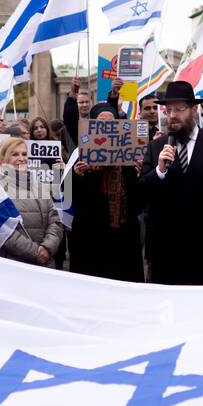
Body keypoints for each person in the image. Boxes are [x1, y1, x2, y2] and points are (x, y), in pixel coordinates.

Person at [137, 81, 203, 285]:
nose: (172, 115)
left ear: (194, 110)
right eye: (168, 110)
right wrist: (159, 171)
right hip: (166, 249)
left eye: (179, 109)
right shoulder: (156, 146)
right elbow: (140, 195)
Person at [69, 103, 143, 281]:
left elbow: (138, 197)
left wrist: (139, 174)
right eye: (101, 122)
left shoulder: (129, 154)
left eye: (111, 122)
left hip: (122, 234)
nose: (106, 127)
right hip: (92, 234)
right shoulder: (80, 153)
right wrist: (78, 175)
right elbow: (68, 193)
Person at [0, 137, 64, 267]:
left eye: (24, 154)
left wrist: (47, 248)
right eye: (15, 154)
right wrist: (35, 253)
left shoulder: (41, 186)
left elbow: (55, 221)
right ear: (3, 159)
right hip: (12, 266)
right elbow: (2, 229)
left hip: (44, 264)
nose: (21, 158)